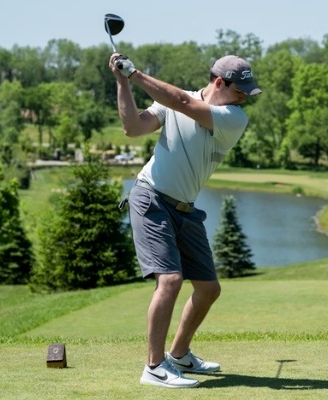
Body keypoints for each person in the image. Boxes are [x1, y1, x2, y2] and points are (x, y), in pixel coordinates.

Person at [109, 53, 262, 388]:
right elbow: (133, 128)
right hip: (151, 196)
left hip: (186, 209)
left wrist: (134, 73)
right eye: (241, 90)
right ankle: (154, 367)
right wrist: (123, 82)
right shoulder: (176, 101)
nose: (245, 97)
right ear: (219, 82)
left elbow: (180, 101)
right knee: (171, 281)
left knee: (208, 288)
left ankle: (178, 355)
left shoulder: (233, 117)